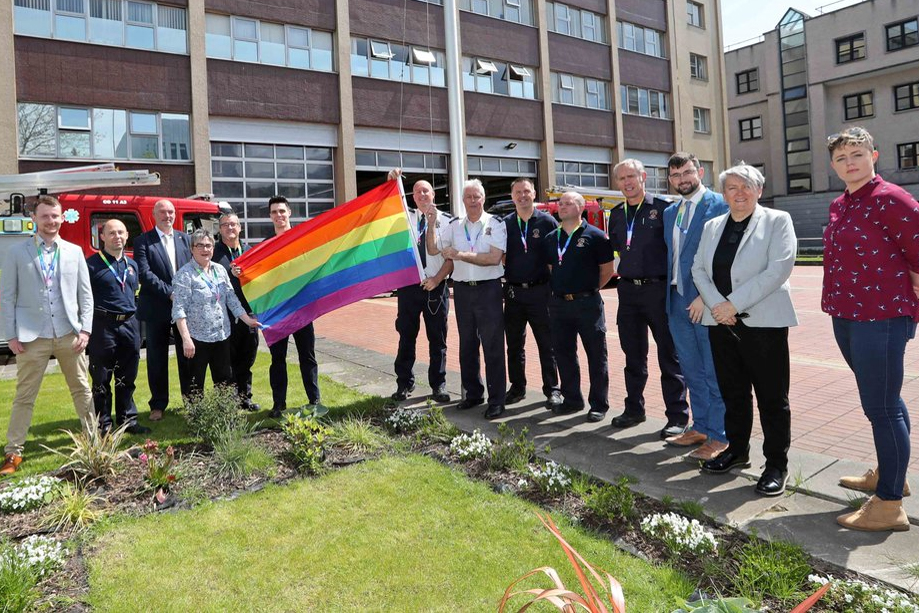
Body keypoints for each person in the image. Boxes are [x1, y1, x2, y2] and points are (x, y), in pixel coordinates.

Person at [823, 127, 918, 532]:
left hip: (880, 317)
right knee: (886, 400)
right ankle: (890, 472)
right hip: (846, 314)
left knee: (879, 406)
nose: (850, 163)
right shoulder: (840, 204)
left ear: (874, 156)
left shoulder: (891, 199)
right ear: (833, 165)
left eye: (857, 154)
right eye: (842, 158)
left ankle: (889, 504)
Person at [691, 164, 797, 497]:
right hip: (720, 324)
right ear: (723, 194)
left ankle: (776, 464)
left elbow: (778, 269)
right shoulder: (712, 226)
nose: (739, 193)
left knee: (772, 398)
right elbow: (698, 268)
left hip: (763, 324)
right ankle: (737, 451)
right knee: (732, 392)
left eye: (746, 186)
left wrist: (732, 304)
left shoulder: (778, 221)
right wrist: (718, 307)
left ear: (759, 190)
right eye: (732, 188)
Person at [0, 195, 93, 475]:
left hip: (69, 334)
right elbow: (7, 297)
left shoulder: (75, 252)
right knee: (25, 396)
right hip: (31, 337)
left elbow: (85, 296)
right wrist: (11, 336)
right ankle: (13, 454)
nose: (51, 221)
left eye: (55, 216)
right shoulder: (17, 253)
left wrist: (85, 329)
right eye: (45, 216)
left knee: (82, 390)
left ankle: (93, 443)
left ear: (62, 218)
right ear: (34, 220)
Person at [608, 159, 689, 435]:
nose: (627, 182)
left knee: (669, 355)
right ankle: (634, 408)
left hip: (658, 290)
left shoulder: (664, 209)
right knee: (633, 355)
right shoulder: (616, 214)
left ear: (643, 176)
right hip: (628, 291)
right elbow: (619, 248)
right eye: (621, 178)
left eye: (631, 176)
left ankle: (677, 416)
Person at [663, 153, 729, 460]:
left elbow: (726, 255)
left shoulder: (720, 204)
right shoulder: (670, 212)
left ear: (700, 171)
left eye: (687, 172)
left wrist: (707, 295)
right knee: (691, 369)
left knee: (714, 369)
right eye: (676, 175)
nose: (682, 179)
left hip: (706, 300)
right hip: (677, 300)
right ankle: (700, 426)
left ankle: (720, 435)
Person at [433, 179, 508, 419]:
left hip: (489, 291)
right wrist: (429, 219)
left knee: (493, 347)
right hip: (463, 292)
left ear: (483, 198)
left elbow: (493, 258)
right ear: (463, 200)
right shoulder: (454, 225)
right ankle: (473, 394)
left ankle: (497, 400)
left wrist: (459, 254)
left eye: (477, 196)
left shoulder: (496, 224)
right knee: (467, 345)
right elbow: (435, 249)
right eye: (469, 197)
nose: (473, 201)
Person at [540, 191, 616, 420]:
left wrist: (588, 289)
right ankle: (572, 399)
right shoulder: (551, 238)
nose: (562, 206)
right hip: (560, 304)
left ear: (581, 207)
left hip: (588, 304)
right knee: (564, 354)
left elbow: (607, 271)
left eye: (568, 203)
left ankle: (599, 404)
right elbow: (553, 268)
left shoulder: (597, 236)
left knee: (596, 355)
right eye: (560, 203)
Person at [172, 229, 259, 397]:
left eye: (209, 245)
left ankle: (226, 417)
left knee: (225, 382)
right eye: (200, 246)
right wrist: (186, 339)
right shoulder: (184, 275)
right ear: (192, 248)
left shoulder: (220, 270)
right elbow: (178, 309)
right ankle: (196, 419)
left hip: (222, 335)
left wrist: (247, 320)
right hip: (197, 338)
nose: (205, 250)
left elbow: (231, 299)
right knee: (195, 385)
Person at [391, 174, 454, 403]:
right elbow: (390, 202)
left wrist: (437, 279)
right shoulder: (403, 218)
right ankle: (403, 384)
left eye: (426, 191)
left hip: (435, 287)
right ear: (413, 197)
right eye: (417, 192)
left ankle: (439, 385)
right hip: (409, 288)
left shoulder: (447, 221)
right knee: (406, 337)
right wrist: (391, 181)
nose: (422, 195)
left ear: (433, 194)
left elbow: (450, 257)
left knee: (437, 340)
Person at [502, 178, 562, 410]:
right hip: (514, 293)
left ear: (534, 193)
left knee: (547, 344)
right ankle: (517, 387)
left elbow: (554, 260)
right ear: (512, 196)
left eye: (526, 191)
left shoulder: (547, 221)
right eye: (518, 192)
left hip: (540, 292)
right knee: (514, 344)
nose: (522, 195)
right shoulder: (505, 223)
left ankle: (553, 389)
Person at [86, 219, 150, 435]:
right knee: (102, 378)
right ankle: (103, 424)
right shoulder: (91, 265)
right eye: (112, 233)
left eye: (121, 232)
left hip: (129, 325)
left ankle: (127, 420)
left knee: (127, 376)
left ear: (127, 236)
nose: (117, 237)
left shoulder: (132, 265)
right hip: (103, 326)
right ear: (101, 237)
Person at [134, 199, 193, 421]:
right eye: (162, 212)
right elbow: (145, 273)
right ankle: (158, 404)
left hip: (184, 309)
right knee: (156, 359)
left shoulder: (185, 239)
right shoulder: (143, 241)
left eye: (170, 212)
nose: (167, 216)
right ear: (154, 215)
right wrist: (169, 292)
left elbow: (192, 268)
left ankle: (191, 401)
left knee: (188, 355)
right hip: (157, 307)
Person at [265, 196, 321, 418]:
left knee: (307, 357)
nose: (279, 215)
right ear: (270, 217)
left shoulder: (303, 240)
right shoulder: (266, 247)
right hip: (278, 312)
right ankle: (279, 404)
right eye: (274, 212)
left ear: (289, 213)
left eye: (282, 211)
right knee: (277, 359)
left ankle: (314, 399)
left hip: (302, 310)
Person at [213, 213, 260, 412]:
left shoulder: (250, 252)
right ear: (220, 229)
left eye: (233, 224)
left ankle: (244, 398)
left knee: (247, 358)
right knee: (227, 362)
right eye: (225, 225)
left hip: (248, 315)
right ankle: (229, 402)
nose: (230, 228)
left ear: (240, 228)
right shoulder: (214, 254)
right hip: (226, 316)